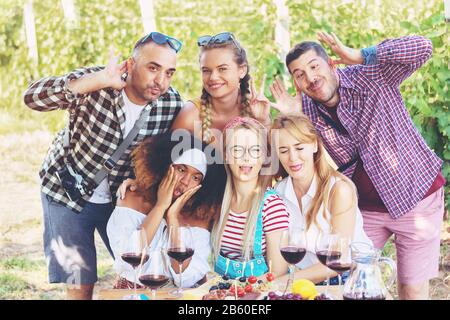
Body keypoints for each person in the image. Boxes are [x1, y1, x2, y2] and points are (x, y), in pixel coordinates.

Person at [271, 31, 445, 299]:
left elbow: (422, 47)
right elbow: (290, 146)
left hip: (416, 197)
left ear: (330, 63)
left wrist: (362, 55)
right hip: (367, 207)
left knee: (410, 290)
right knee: (353, 283)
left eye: (314, 66)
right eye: (299, 74)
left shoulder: (370, 74)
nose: (310, 78)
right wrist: (292, 118)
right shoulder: (304, 107)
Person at [23, 32, 184, 300]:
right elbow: (32, 98)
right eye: (153, 68)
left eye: (169, 73)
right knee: (79, 282)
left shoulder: (170, 104)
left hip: (118, 200)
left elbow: (171, 154)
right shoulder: (96, 81)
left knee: (138, 273)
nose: (161, 81)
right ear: (130, 65)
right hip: (66, 193)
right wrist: (94, 81)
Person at [107, 131, 226, 289]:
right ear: (165, 167)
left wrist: (172, 218)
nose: (185, 182)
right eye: (181, 170)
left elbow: (187, 277)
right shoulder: (131, 198)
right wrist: (160, 207)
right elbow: (128, 262)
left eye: (196, 177)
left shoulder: (200, 217)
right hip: (132, 292)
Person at [270, 114, 372, 284]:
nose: (293, 157)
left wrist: (282, 282)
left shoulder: (338, 190)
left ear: (315, 145)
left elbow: (338, 261)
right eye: (283, 150)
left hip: (347, 277)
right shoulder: (279, 191)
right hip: (300, 277)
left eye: (299, 147)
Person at [211, 116, 289, 279]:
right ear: (225, 155)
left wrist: (239, 292)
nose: (246, 157)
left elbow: (278, 271)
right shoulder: (217, 201)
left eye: (255, 150)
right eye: (237, 149)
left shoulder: (271, 206)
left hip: (257, 295)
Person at [171, 32, 273, 146]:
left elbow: (273, 158)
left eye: (222, 69)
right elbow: (168, 160)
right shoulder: (190, 114)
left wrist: (264, 121)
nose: (213, 77)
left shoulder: (256, 108)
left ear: (242, 70)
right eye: (206, 70)